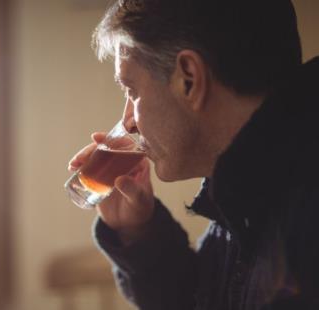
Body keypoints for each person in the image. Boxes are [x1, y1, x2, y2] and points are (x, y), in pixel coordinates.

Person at [67, 0, 319, 309]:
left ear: (189, 79)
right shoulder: (245, 186)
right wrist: (140, 231)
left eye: (132, 91)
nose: (129, 121)